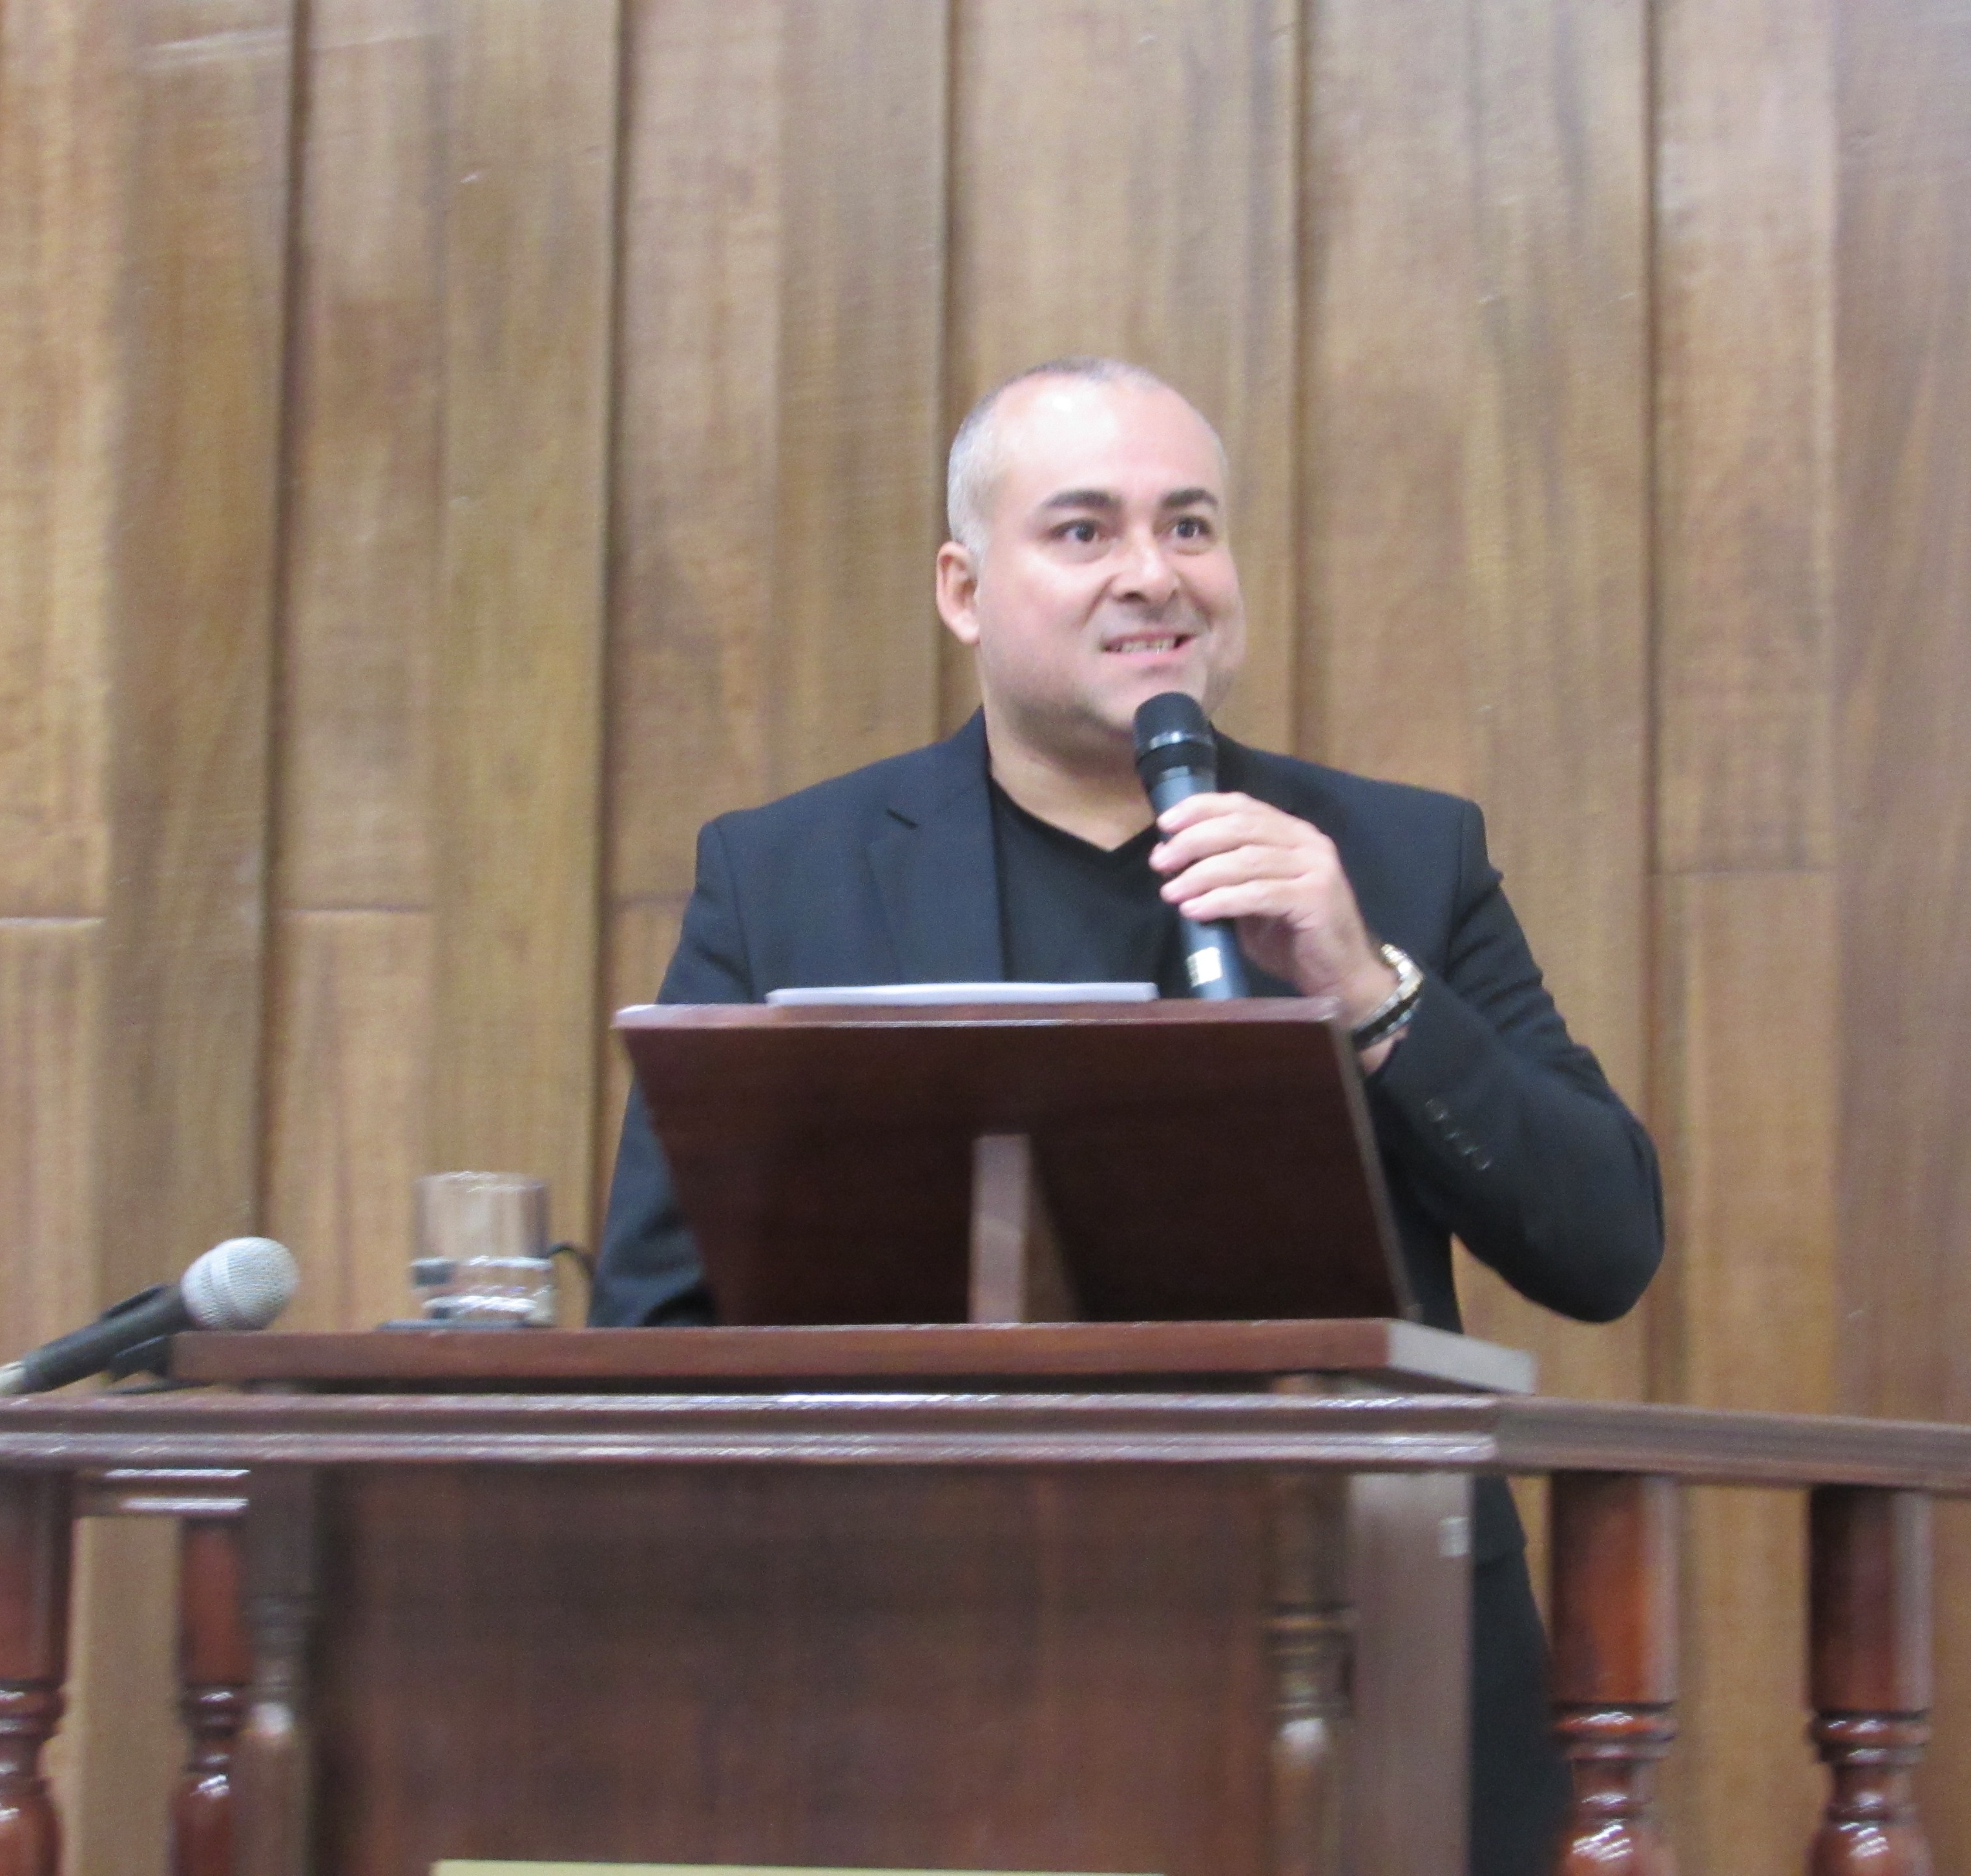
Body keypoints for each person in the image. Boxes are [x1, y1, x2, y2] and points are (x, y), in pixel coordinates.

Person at [592, 357, 1664, 1876]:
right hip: (927, 1684)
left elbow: (1606, 1242)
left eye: (1190, 526)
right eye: (1084, 530)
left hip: (1368, 1666)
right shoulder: (787, 879)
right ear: (963, 588)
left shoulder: (1400, 858)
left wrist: (1371, 989)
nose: (1153, 574)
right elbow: (655, 1325)